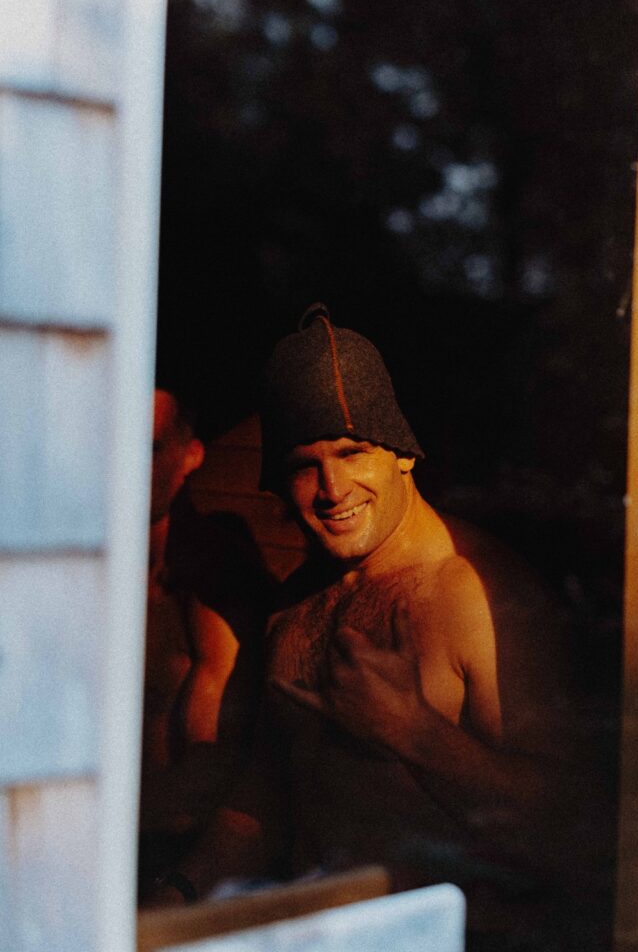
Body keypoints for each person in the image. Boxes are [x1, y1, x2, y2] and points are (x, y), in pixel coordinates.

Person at [162, 309, 608, 947]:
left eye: (352, 452)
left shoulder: (474, 591)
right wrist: (174, 897)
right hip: (323, 931)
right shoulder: (295, 605)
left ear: (401, 452)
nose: (332, 487)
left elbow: (576, 830)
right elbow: (264, 797)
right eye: (302, 463)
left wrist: (415, 733)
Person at [139, 389, 263, 903]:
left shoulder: (219, 580)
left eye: (146, 447)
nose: (119, 462)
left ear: (190, 456)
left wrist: (176, 889)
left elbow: (233, 775)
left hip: (175, 866)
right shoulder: (62, 564)